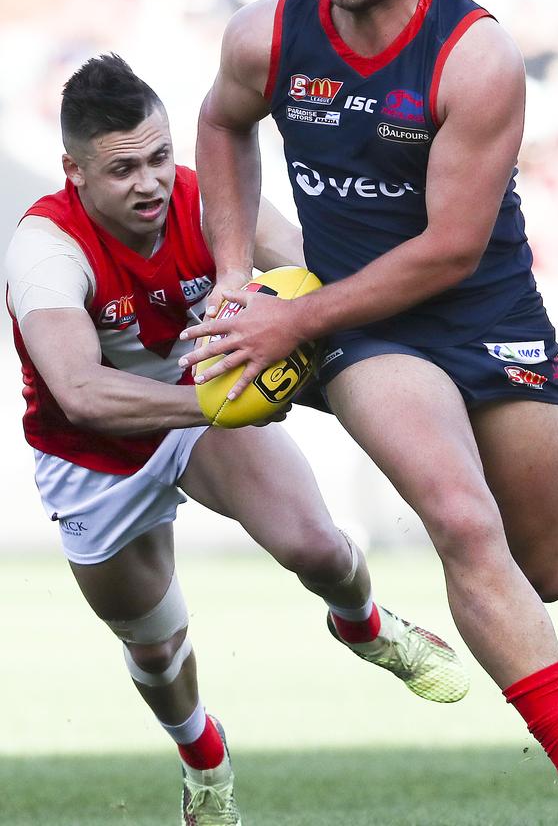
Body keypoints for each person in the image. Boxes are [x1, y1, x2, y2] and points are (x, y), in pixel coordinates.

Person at [182, 0, 558, 825]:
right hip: (364, 323)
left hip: (485, 313)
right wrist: (236, 278)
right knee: (460, 516)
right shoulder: (265, 34)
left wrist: (287, 317)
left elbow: (446, 251)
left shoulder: (474, 55)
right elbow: (222, 123)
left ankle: (471, 620)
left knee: (541, 568)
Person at [5, 53, 471, 826]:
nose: (150, 182)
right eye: (123, 170)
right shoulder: (44, 250)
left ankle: (368, 627)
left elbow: (319, 281)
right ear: (74, 171)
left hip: (200, 405)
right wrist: (220, 405)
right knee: (155, 649)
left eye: (160, 156)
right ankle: (206, 767)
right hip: (97, 456)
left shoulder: (208, 200)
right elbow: (81, 394)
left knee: (317, 546)